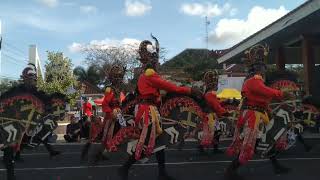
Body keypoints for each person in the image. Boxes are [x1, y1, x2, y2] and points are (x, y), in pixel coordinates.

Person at [107, 35, 202, 180]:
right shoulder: (149, 75)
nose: (158, 63)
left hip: (150, 109)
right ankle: (124, 167)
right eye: (156, 60)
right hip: (146, 112)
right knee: (148, 142)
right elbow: (170, 87)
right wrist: (190, 91)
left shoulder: (147, 75)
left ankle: (161, 173)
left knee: (160, 141)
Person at [225, 44, 290, 179]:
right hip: (252, 116)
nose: (263, 70)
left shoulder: (257, 81)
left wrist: (268, 110)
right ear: (257, 69)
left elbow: (263, 99)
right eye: (262, 68)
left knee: (268, 140)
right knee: (250, 144)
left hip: (259, 115)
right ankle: (231, 171)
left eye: (263, 68)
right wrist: (281, 93)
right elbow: (264, 91)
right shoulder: (252, 81)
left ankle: (276, 166)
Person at [199, 70, 229, 154]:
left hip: (211, 116)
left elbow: (216, 103)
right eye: (216, 84)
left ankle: (213, 148)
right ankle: (202, 147)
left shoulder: (209, 94)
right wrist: (225, 112)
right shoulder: (210, 94)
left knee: (216, 132)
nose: (217, 86)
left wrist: (225, 102)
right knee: (209, 133)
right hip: (209, 116)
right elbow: (216, 106)